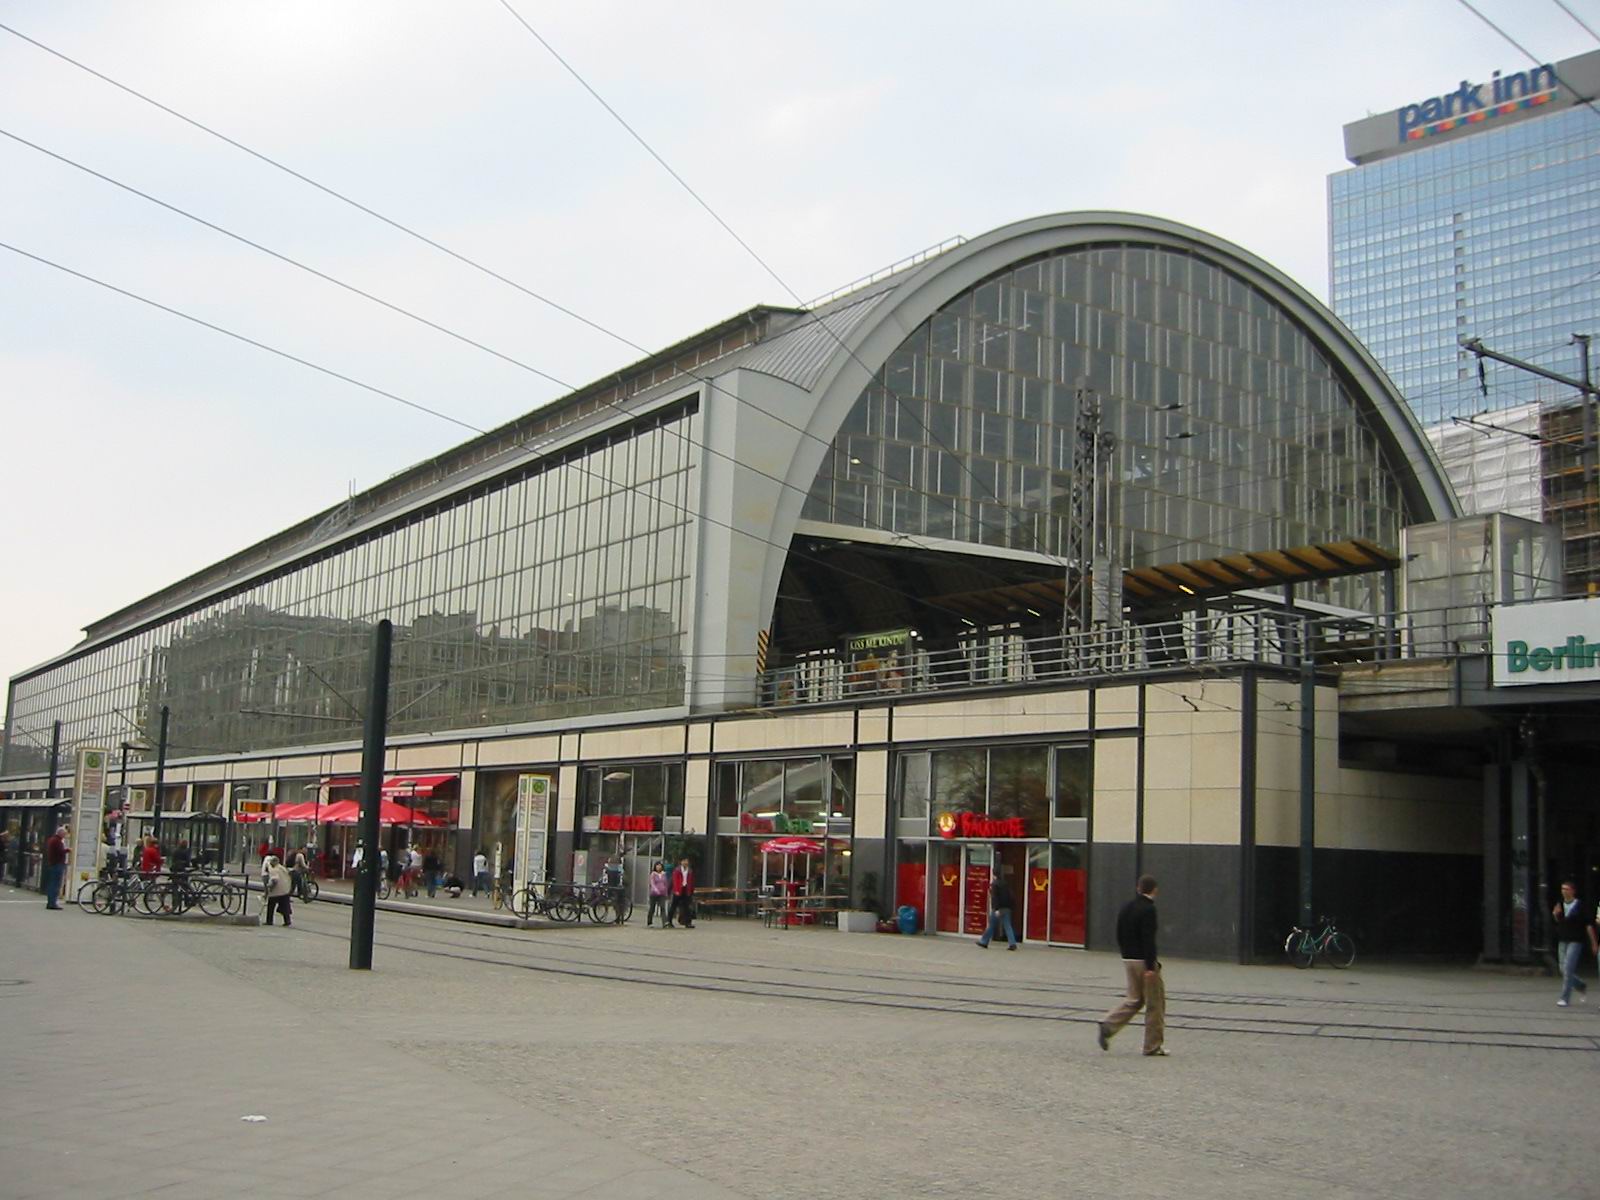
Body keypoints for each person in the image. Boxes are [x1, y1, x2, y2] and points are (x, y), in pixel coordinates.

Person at [1097, 875, 1166, 1056]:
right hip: (1144, 962)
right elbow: (1148, 940)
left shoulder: (1126, 907)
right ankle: (1152, 1046)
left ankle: (1108, 1024)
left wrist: (1126, 954)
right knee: (1155, 1004)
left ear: (1138, 888)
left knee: (1134, 999)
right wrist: (1151, 967)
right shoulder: (1149, 910)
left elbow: (1119, 933)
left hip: (1128, 959)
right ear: (1154, 890)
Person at [1551, 879, 1596, 1007]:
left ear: (1573, 891)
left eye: (1566, 889)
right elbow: (1559, 921)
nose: (1564, 891)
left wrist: (1593, 942)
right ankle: (1581, 985)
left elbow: (1588, 925)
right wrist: (1555, 915)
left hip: (1576, 941)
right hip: (1563, 939)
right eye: (1562, 889)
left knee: (1568, 967)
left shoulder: (1580, 906)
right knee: (1563, 969)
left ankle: (1565, 998)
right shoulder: (1560, 904)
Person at [976, 867, 1018, 950]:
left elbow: (995, 898)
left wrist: (996, 909)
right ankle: (1012, 944)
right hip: (1007, 908)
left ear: (993, 874)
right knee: (1008, 926)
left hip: (998, 908)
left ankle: (984, 941)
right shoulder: (1005, 883)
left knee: (991, 925)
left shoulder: (995, 884)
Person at [261, 855, 293, 927]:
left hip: (277, 891)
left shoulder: (273, 869)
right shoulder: (282, 868)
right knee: (285, 906)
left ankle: (269, 921)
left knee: (271, 905)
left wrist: (269, 886)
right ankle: (287, 921)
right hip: (285, 889)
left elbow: (274, 880)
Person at [43, 826, 68, 910]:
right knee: (56, 884)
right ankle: (52, 903)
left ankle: (50, 902)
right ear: (60, 833)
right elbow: (60, 851)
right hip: (57, 864)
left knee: (52, 883)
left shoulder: (52, 840)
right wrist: (67, 850)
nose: (65, 835)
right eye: (64, 833)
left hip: (53, 864)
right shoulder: (57, 841)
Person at [669, 856, 696, 929]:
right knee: (673, 906)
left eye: (686, 861)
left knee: (687, 907)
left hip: (686, 889)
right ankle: (669, 921)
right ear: (681, 862)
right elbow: (675, 881)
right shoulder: (677, 870)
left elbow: (691, 881)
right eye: (684, 861)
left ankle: (688, 922)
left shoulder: (690, 871)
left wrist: (691, 891)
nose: (685, 862)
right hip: (678, 889)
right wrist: (676, 890)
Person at [647, 861, 670, 927]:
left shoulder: (664, 874)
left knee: (662, 907)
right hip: (654, 894)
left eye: (660, 865)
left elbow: (666, 884)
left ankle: (665, 922)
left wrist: (666, 892)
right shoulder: (653, 874)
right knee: (652, 908)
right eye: (657, 865)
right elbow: (652, 883)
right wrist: (655, 890)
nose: (658, 867)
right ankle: (649, 922)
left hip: (662, 894)